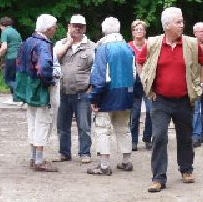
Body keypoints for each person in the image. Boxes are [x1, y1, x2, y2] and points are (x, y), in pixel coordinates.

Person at [139, 7, 203, 193]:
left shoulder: (191, 44)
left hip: (184, 99)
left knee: (185, 136)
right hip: (160, 100)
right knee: (159, 136)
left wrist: (201, 85)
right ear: (167, 25)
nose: (182, 25)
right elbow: (140, 60)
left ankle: (186, 169)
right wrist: (145, 81)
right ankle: (158, 178)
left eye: (182, 21)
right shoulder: (153, 43)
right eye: (178, 22)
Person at [87, 17, 136, 176]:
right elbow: (135, 74)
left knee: (102, 128)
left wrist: (94, 98)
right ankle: (126, 161)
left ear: (104, 31)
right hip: (127, 93)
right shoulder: (128, 48)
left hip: (108, 94)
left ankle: (104, 165)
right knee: (123, 128)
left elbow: (100, 77)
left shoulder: (103, 48)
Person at [15, 14, 60, 172]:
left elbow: (18, 63)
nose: (56, 29)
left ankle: (33, 157)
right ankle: (39, 161)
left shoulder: (27, 41)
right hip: (41, 90)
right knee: (42, 122)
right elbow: (44, 69)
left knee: (32, 121)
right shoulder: (43, 45)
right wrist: (51, 81)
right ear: (48, 29)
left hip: (29, 88)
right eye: (55, 26)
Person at [53, 14, 96, 164]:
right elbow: (54, 58)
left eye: (80, 26)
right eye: (74, 25)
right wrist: (68, 43)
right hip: (62, 91)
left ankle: (85, 153)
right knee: (62, 125)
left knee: (84, 126)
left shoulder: (92, 46)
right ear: (68, 27)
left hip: (83, 92)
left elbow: (97, 70)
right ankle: (64, 153)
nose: (77, 28)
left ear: (84, 28)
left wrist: (92, 88)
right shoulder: (61, 43)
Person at [128, 19, 152, 151]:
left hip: (149, 82)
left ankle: (148, 138)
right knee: (134, 113)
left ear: (145, 31)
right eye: (136, 29)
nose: (139, 31)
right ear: (132, 32)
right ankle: (133, 140)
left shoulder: (151, 45)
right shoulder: (128, 46)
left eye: (141, 29)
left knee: (151, 111)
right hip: (134, 83)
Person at [0, 16, 22, 104]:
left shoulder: (5, 32)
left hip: (11, 58)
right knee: (15, 78)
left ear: (1, 25)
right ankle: (14, 99)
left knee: (8, 79)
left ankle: (19, 98)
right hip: (19, 58)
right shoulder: (16, 32)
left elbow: (4, 47)